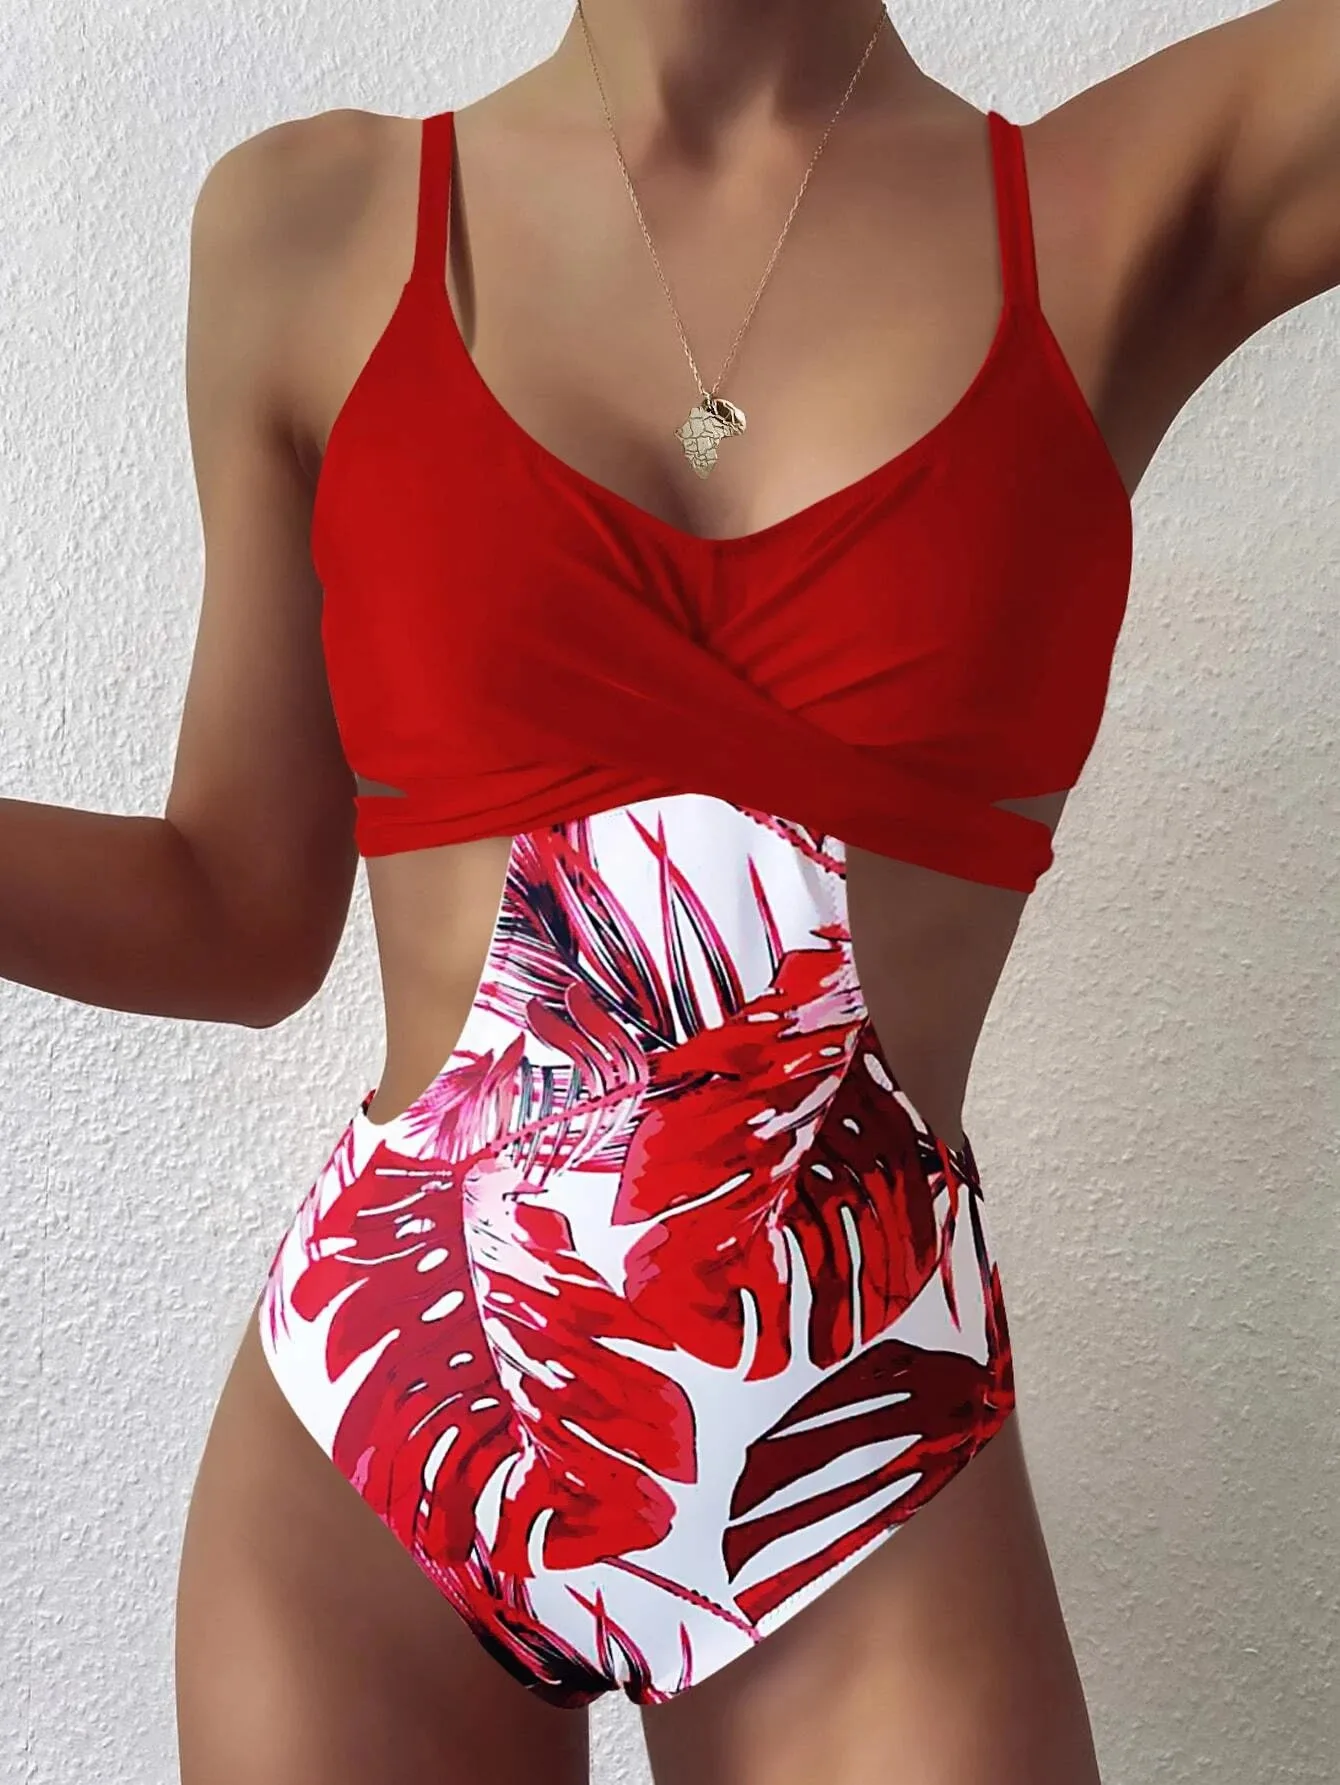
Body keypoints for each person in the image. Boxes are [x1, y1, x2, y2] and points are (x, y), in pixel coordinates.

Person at [3, 2, 1335, 1781]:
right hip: (386, 1438)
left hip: (859, 1462)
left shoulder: (1128, 205)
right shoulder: (313, 225)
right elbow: (234, 916)